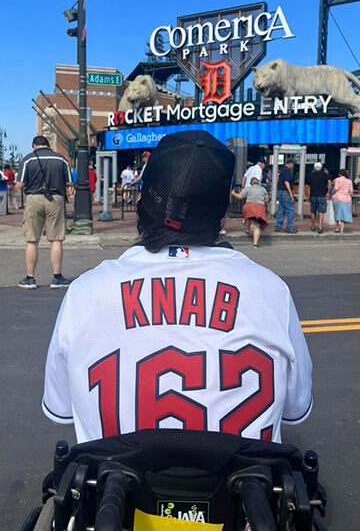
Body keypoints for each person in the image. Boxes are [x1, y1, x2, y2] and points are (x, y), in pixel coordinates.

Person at [42, 130, 312, 444]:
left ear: (141, 199)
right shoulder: (271, 291)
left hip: (117, 487)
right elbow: (296, 409)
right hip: (240, 486)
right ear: (222, 214)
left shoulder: (85, 292)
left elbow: (61, 410)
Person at [16, 136, 72, 290]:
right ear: (48, 145)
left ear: (34, 145)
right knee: (55, 239)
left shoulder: (28, 159)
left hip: (34, 199)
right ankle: (57, 277)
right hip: (55, 199)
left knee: (32, 239)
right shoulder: (61, 159)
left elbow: (20, 184)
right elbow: (68, 182)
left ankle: (30, 278)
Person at [231, 177, 268, 248]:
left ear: (251, 183)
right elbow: (266, 199)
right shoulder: (263, 189)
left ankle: (247, 230)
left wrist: (232, 193)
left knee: (248, 217)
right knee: (256, 226)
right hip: (259, 208)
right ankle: (255, 243)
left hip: (249, 206)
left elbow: (240, 196)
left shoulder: (248, 189)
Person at [305, 162, 331, 234]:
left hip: (313, 195)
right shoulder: (325, 175)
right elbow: (329, 182)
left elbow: (307, 186)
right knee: (321, 212)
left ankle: (313, 226)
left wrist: (307, 195)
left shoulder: (310, 175)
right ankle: (320, 227)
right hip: (322, 195)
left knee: (313, 211)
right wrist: (328, 192)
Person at [275, 160, 298, 234]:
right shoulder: (287, 171)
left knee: (281, 209)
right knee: (290, 209)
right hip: (285, 193)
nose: (293, 165)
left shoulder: (282, 170)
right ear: (290, 164)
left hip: (279, 192)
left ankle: (278, 226)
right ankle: (289, 227)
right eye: (293, 164)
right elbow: (286, 181)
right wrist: (290, 192)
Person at [332, 169, 353, 234]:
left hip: (337, 197)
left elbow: (336, 188)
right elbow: (351, 190)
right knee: (344, 214)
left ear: (339, 174)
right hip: (346, 199)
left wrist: (332, 193)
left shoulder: (337, 180)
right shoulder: (349, 181)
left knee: (337, 213)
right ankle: (342, 229)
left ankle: (336, 227)